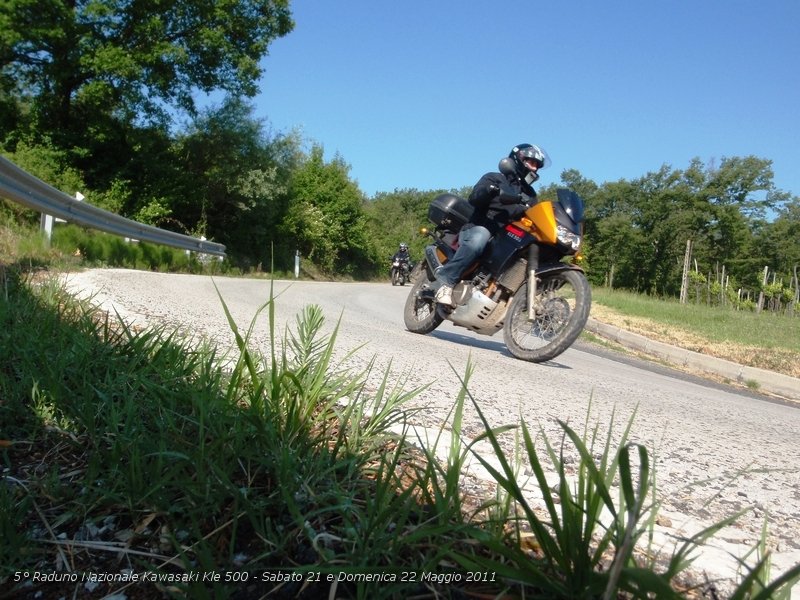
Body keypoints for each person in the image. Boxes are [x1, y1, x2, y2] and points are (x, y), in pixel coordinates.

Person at [434, 143, 549, 306]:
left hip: (505, 238)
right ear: (518, 159)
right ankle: (446, 282)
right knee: (479, 240)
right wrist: (489, 190)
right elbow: (474, 198)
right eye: (532, 162)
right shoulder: (495, 178)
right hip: (479, 227)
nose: (535, 168)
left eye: (537, 165)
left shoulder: (530, 195)